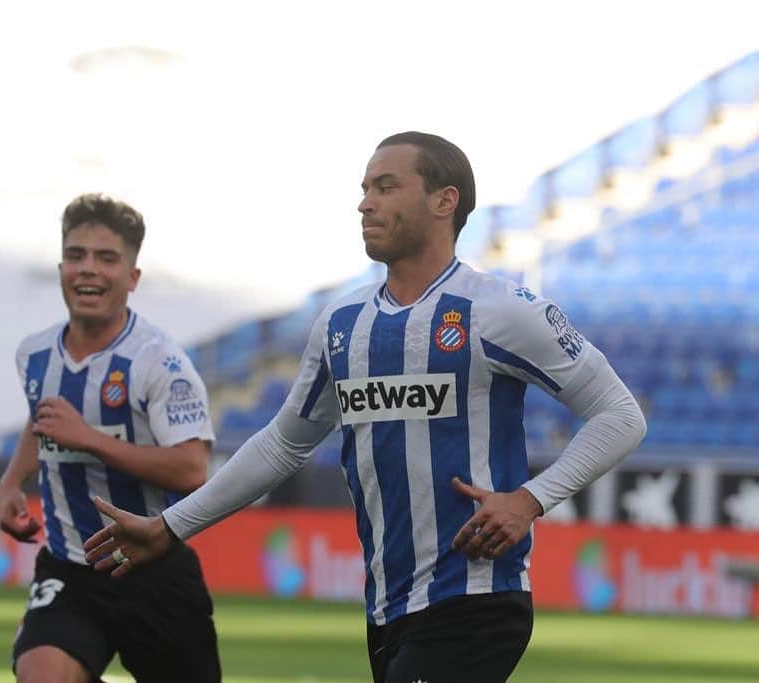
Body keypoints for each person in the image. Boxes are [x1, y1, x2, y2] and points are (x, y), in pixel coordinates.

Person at [84, 132, 648, 683]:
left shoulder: (499, 310)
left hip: (475, 597)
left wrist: (529, 499)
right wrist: (170, 527)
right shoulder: (342, 324)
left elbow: (620, 414)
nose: (365, 203)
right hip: (387, 608)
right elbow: (283, 443)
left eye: (385, 186)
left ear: (443, 201)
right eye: (364, 188)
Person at [0, 193, 221, 683]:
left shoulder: (160, 362)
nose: (88, 270)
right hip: (70, 569)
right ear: (61, 267)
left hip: (153, 569)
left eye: (106, 258)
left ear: (132, 277)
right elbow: (42, 424)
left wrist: (90, 439)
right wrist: (12, 481)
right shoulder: (34, 355)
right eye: (76, 256)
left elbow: (191, 469)